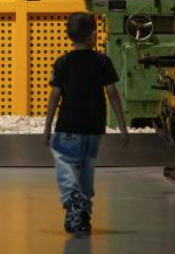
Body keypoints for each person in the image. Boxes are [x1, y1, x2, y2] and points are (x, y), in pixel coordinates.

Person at [42, 12, 129, 237]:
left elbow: (54, 96)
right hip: (94, 127)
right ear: (92, 35)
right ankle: (84, 215)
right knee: (87, 168)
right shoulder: (103, 61)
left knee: (66, 165)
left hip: (69, 125)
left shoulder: (63, 63)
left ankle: (72, 202)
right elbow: (112, 93)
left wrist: (47, 127)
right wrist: (122, 127)